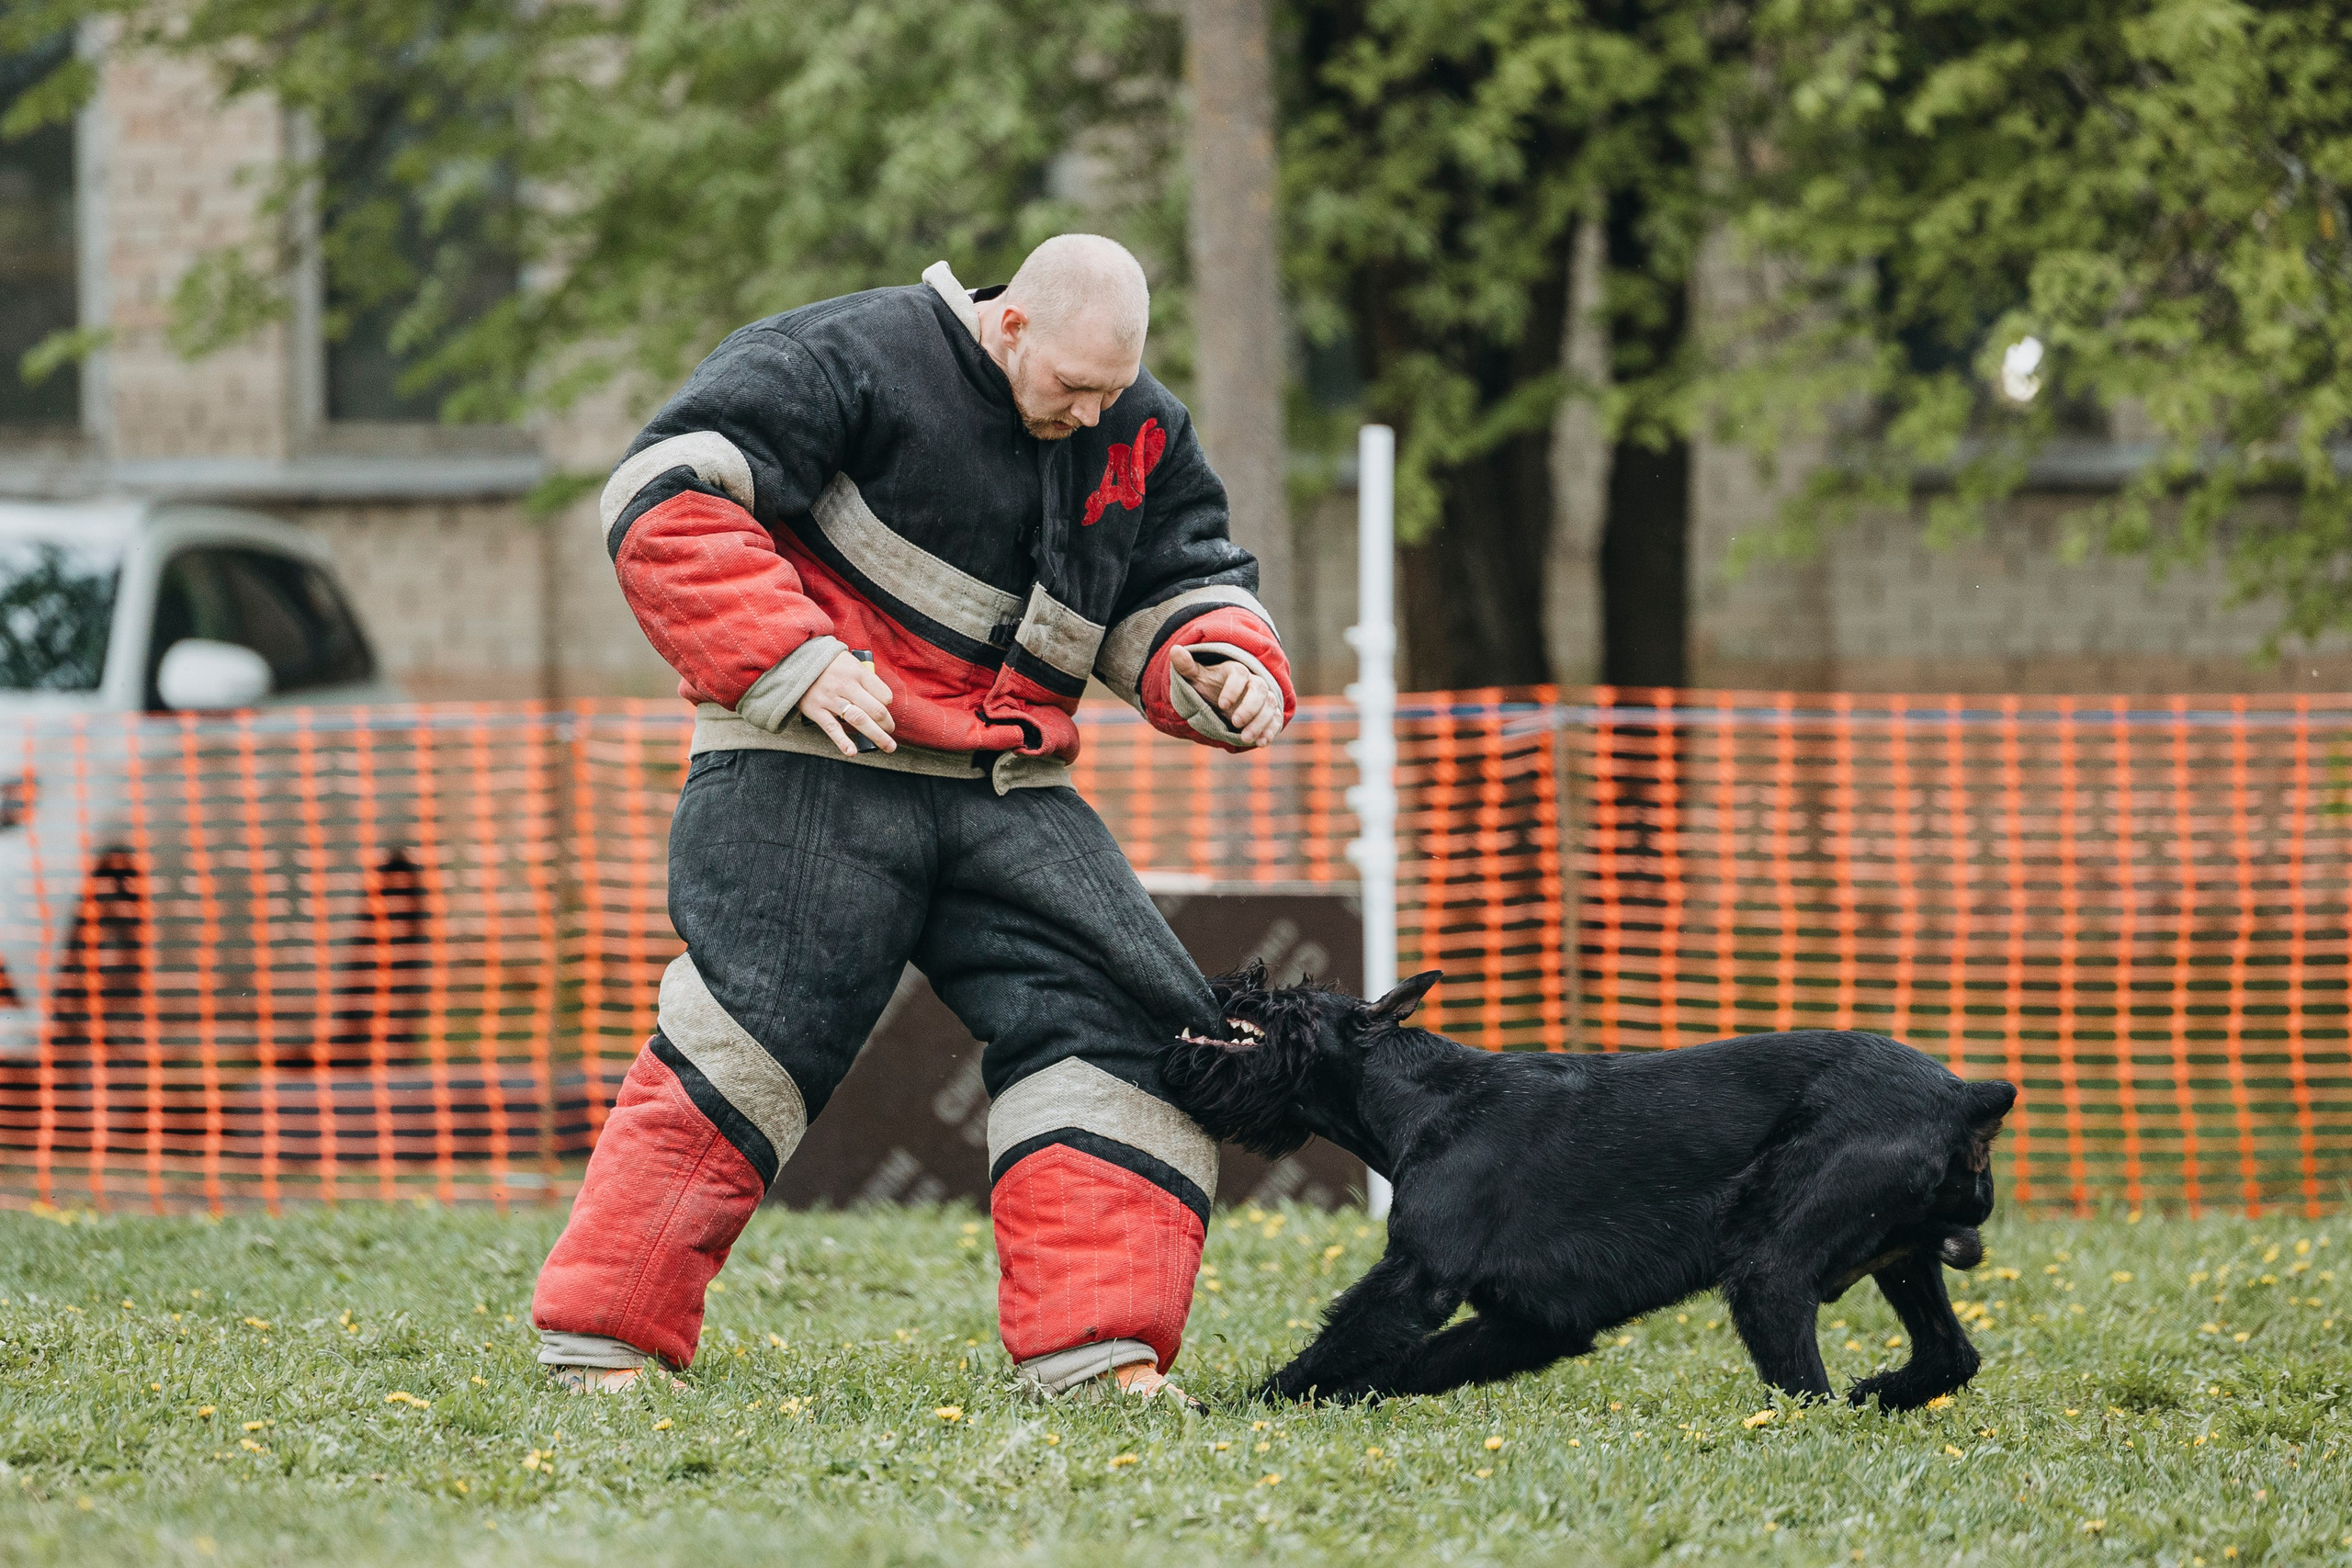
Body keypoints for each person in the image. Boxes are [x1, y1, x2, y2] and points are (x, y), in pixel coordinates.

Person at [530, 235, 1295, 1404]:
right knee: (756, 1032)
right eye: (1075, 388)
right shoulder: (840, 355)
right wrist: (784, 657)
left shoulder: (1136, 425)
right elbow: (663, 492)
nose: (1094, 417)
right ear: (1013, 325)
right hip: (806, 759)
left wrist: (1218, 664)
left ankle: (1097, 1356)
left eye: (1113, 390)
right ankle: (604, 1342)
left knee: (1133, 1024)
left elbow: (1182, 578)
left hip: (1005, 787)